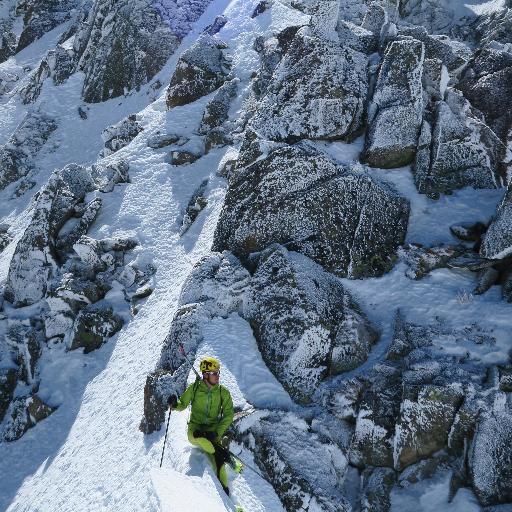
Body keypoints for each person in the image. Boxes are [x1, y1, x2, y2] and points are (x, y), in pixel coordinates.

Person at [167, 356, 242, 495]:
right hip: (195, 429)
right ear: (206, 375)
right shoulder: (194, 388)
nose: (217, 376)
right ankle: (223, 453)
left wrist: (217, 432)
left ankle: (227, 497)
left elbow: (229, 414)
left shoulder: (222, 392)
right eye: (214, 373)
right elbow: (182, 404)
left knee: (218, 463)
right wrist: (174, 404)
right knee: (198, 437)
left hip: (213, 430)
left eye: (218, 373)